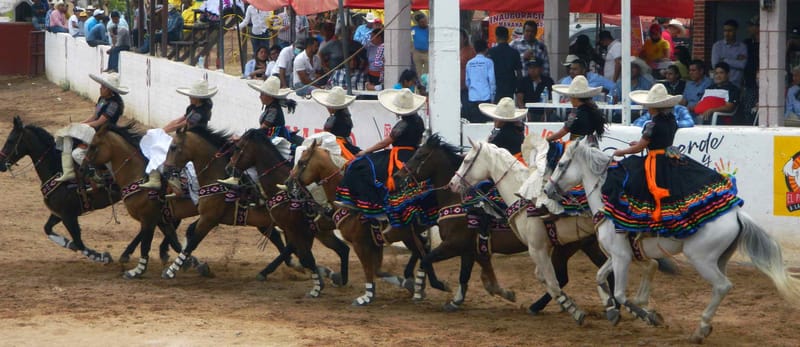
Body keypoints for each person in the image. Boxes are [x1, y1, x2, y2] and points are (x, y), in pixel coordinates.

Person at [604, 83, 742, 236]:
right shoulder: (671, 120)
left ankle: (625, 224)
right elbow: (657, 141)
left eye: (648, 106)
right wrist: (642, 143)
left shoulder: (651, 124)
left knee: (630, 181)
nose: (646, 108)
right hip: (670, 154)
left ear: (653, 107)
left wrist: (621, 151)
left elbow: (640, 148)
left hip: (656, 161)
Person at [334, 88, 426, 219]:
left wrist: (365, 152)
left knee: (359, 165)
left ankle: (363, 204)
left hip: (398, 156)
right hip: (412, 155)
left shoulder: (403, 124)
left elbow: (384, 143)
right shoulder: (419, 121)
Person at [218, 77, 299, 187]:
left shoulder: (274, 110)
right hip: (268, 137)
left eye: (262, 94)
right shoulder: (270, 108)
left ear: (269, 96)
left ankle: (239, 178)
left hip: (274, 140)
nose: (260, 96)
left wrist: (242, 138)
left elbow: (262, 129)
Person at [140, 79, 217, 189]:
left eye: (192, 96)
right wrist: (163, 129)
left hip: (191, 138)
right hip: (185, 135)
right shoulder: (193, 108)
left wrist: (164, 131)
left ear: (198, 98)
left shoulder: (202, 112)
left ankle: (165, 177)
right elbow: (180, 119)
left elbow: (185, 124)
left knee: (163, 148)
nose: (189, 97)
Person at [55, 73, 128, 182]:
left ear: (110, 90)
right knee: (67, 135)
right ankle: (68, 170)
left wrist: (80, 126)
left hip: (104, 132)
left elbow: (99, 122)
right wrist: (80, 123)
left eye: (103, 87)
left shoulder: (114, 104)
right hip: (94, 129)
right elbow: (94, 116)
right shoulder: (102, 99)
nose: (100, 89)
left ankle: (95, 177)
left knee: (76, 152)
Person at [311, 87, 361, 159]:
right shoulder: (346, 116)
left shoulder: (333, 119)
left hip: (334, 145)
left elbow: (326, 134)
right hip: (346, 143)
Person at [465, 39, 495, 123]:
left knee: (474, 123)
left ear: (474, 49)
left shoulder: (469, 63)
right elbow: (492, 81)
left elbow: (467, 82)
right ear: (486, 49)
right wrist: (492, 97)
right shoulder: (489, 62)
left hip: (473, 97)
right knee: (486, 123)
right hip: (486, 97)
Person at [488, 26, 521, 102]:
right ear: (508, 37)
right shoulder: (514, 52)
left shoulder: (491, 52)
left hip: (496, 86)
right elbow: (519, 73)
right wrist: (518, 88)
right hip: (510, 86)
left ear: (496, 37)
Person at [711, 19, 747, 87]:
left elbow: (742, 65)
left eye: (730, 31)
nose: (726, 33)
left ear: (735, 31)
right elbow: (715, 65)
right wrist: (735, 62)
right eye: (725, 31)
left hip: (736, 83)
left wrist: (724, 60)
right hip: (720, 84)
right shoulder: (717, 46)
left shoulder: (742, 47)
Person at [460, 29, 476, 119]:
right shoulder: (456, 50)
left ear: (465, 39)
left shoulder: (470, 51)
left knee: (466, 110)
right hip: (456, 87)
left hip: (466, 88)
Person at [743, 16, 760, 90]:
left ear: (758, 27)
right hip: (749, 80)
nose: (748, 29)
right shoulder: (746, 43)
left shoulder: (767, 43)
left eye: (751, 26)